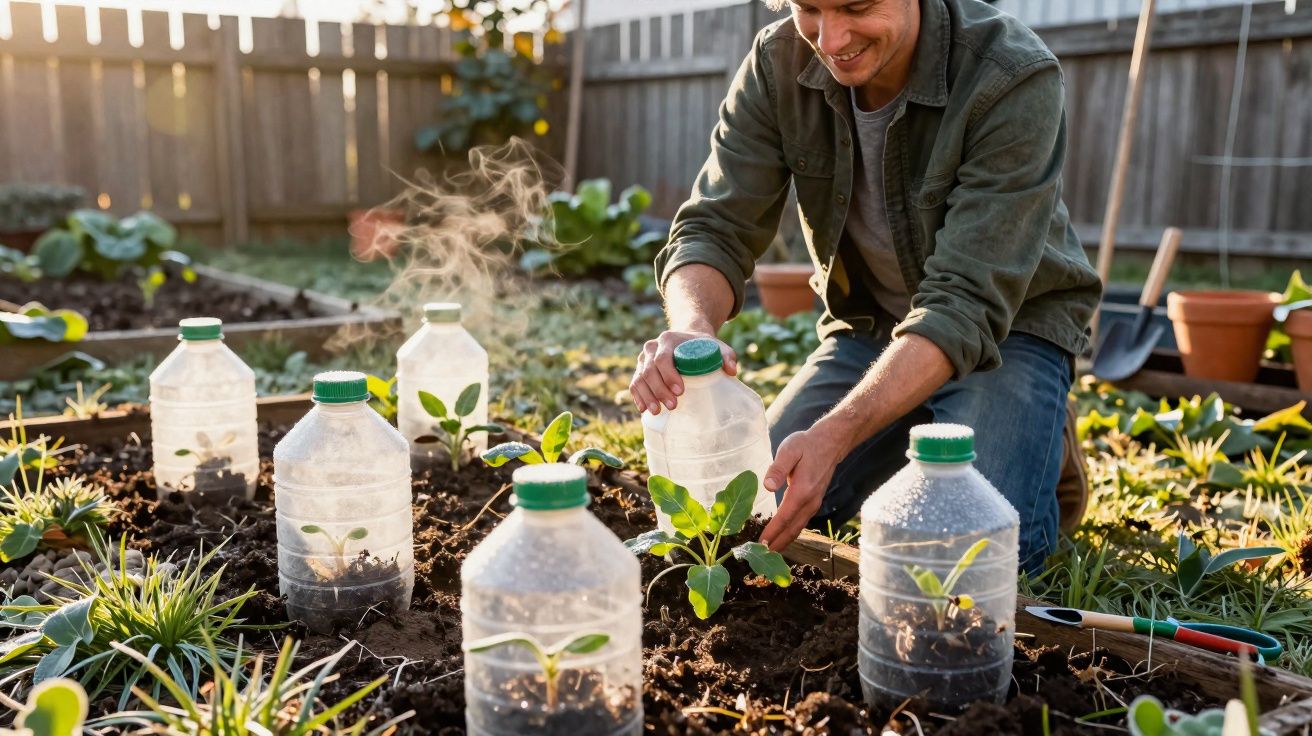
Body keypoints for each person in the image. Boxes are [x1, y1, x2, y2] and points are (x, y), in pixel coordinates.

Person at [628, 0, 1102, 572]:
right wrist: (692, 327)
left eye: (856, 7)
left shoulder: (1010, 74)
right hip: (870, 331)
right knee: (753, 517)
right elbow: (713, 226)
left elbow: (964, 306)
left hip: (1006, 335)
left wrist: (839, 431)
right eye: (809, 8)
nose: (830, 38)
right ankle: (926, 416)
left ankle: (1028, 422)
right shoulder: (777, 63)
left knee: (967, 558)